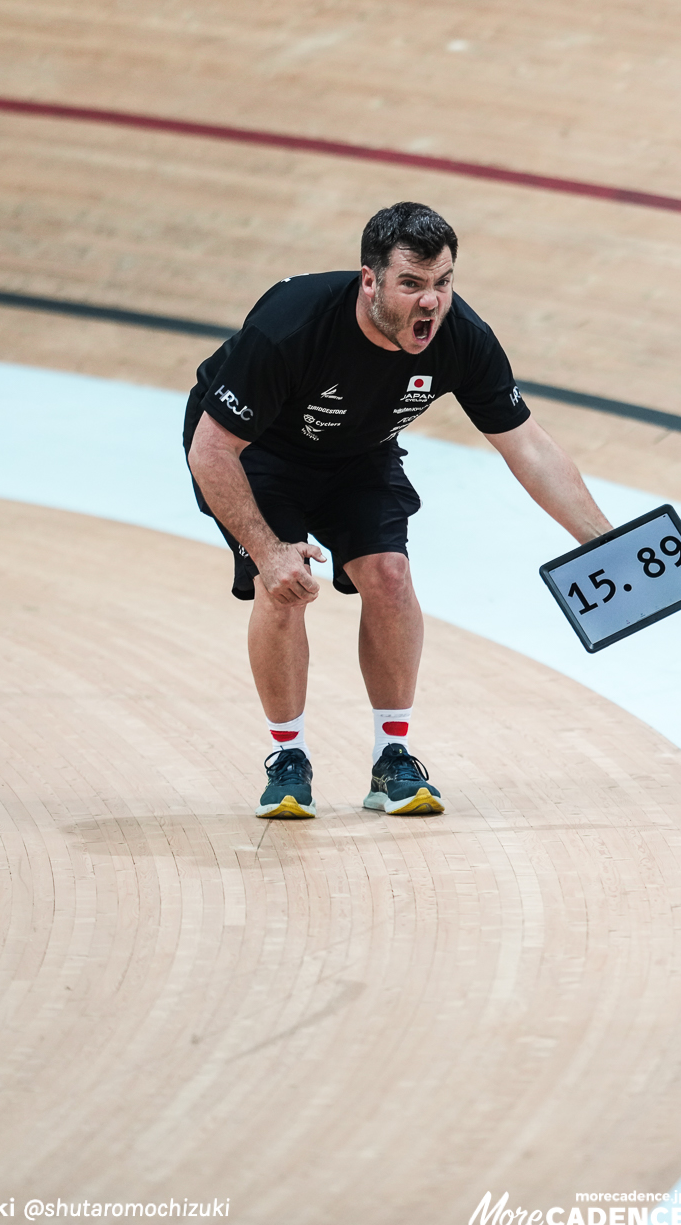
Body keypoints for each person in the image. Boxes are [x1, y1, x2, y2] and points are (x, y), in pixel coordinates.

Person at [184, 202, 613, 819]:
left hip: (358, 452)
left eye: (442, 284)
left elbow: (528, 444)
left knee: (389, 575)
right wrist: (268, 551)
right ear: (371, 281)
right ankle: (289, 759)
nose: (430, 303)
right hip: (258, 455)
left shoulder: (462, 338)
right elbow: (211, 446)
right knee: (281, 587)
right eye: (411, 285)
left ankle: (393, 759)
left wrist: (601, 541)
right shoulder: (291, 325)